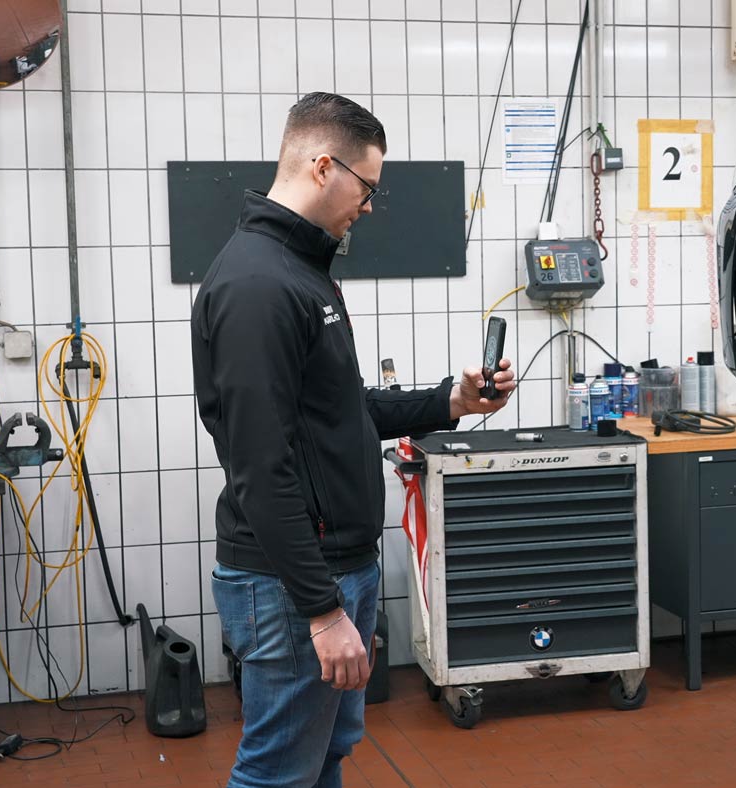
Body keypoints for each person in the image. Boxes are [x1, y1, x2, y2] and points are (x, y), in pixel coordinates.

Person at [190, 92, 515, 788]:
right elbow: (261, 466)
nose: (368, 206)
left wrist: (451, 400)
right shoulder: (258, 285)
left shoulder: (303, 273)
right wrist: (321, 610)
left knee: (322, 757)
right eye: (366, 187)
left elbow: (340, 411)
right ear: (321, 165)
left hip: (332, 569)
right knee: (277, 772)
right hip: (294, 585)